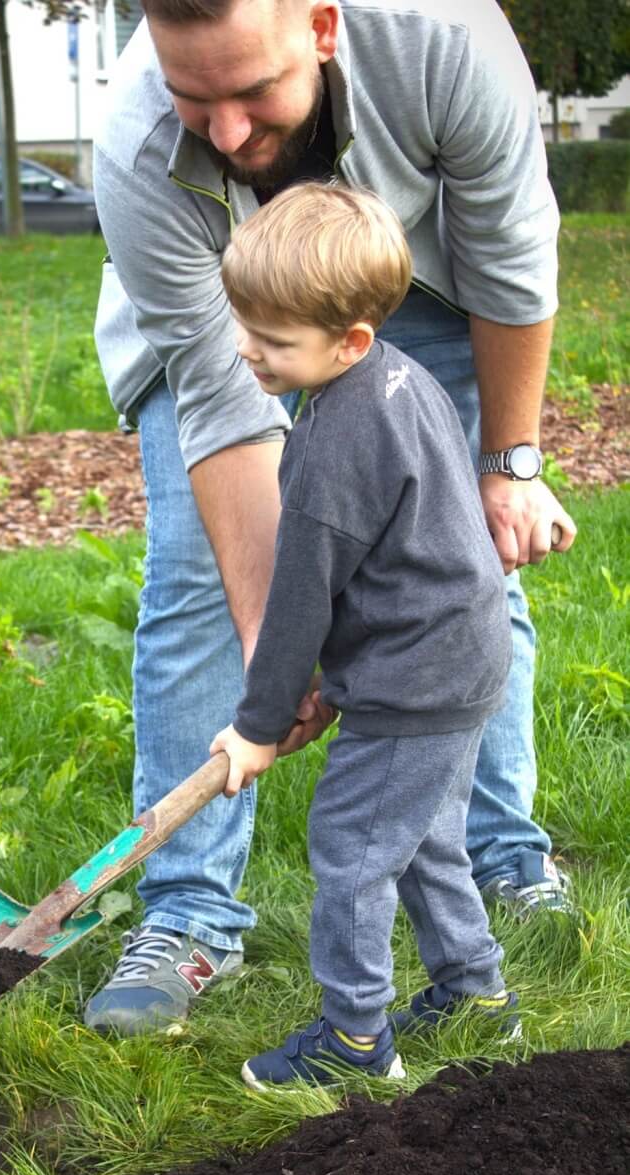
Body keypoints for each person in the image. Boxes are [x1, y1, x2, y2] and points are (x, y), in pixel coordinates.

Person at [85, 0, 577, 1038]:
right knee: (193, 575)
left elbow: (508, 260)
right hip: (220, 310)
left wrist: (508, 466)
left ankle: (502, 858)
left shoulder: (441, 47)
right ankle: (185, 913)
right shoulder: (135, 145)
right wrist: (278, 673)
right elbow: (224, 397)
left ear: (318, 27)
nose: (222, 132)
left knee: (466, 568)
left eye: (250, 93)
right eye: (193, 98)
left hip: (420, 286)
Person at [209, 182, 519, 1086]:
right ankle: (473, 988)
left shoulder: (331, 443)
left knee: (350, 850)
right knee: (420, 837)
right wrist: (324, 686)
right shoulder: (400, 377)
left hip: (415, 677)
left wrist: (261, 723)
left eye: (272, 341)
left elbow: (301, 598)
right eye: (244, 326)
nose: (246, 350)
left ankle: (352, 1039)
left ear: (347, 339)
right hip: (461, 657)